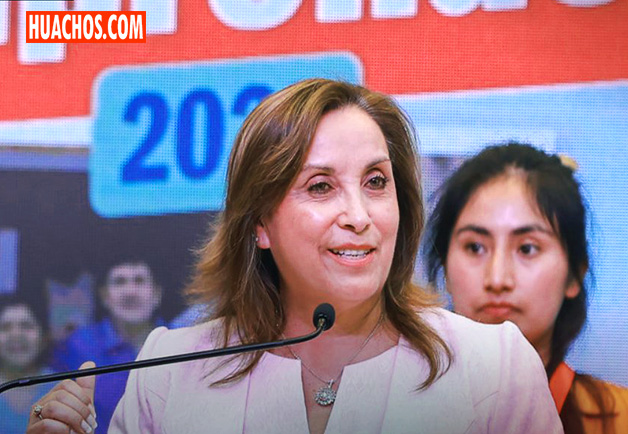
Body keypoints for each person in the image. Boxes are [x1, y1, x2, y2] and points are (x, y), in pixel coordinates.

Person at [27, 79, 562, 434]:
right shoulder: (170, 370)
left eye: (377, 182)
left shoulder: (494, 366)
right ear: (260, 223)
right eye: (321, 186)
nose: (359, 215)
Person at [422, 142, 628, 433]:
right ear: (445, 268)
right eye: (475, 247)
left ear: (573, 275)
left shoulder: (619, 419)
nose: (497, 279)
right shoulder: (399, 410)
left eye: (527, 248)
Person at [51, 259, 163, 432]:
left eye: (139, 281)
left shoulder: (181, 342)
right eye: (119, 282)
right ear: (104, 296)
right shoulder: (77, 345)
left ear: (156, 294)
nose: (130, 292)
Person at [0, 295, 54, 434]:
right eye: (5, 327)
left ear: (44, 337)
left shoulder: (60, 387)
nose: (16, 334)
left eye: (26, 326)